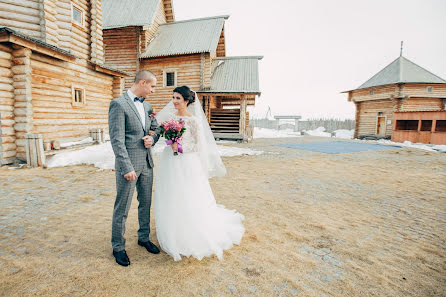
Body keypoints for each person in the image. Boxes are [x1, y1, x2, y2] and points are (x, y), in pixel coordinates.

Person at [153, 86, 245, 261]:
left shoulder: (194, 120)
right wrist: (170, 141)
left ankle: (190, 231)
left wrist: (179, 146)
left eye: (178, 98)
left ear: (186, 101)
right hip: (170, 161)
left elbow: (199, 145)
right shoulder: (171, 118)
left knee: (188, 195)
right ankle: (173, 228)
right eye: (173, 97)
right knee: (171, 193)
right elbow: (164, 134)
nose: (174, 101)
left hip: (187, 161)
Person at [108, 70, 161, 267]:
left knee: (145, 203)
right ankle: (118, 247)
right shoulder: (118, 104)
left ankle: (143, 237)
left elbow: (156, 128)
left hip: (147, 164)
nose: (153, 91)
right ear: (143, 83)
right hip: (128, 166)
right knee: (122, 207)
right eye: (152, 86)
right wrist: (126, 167)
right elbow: (117, 140)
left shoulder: (147, 106)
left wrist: (152, 138)